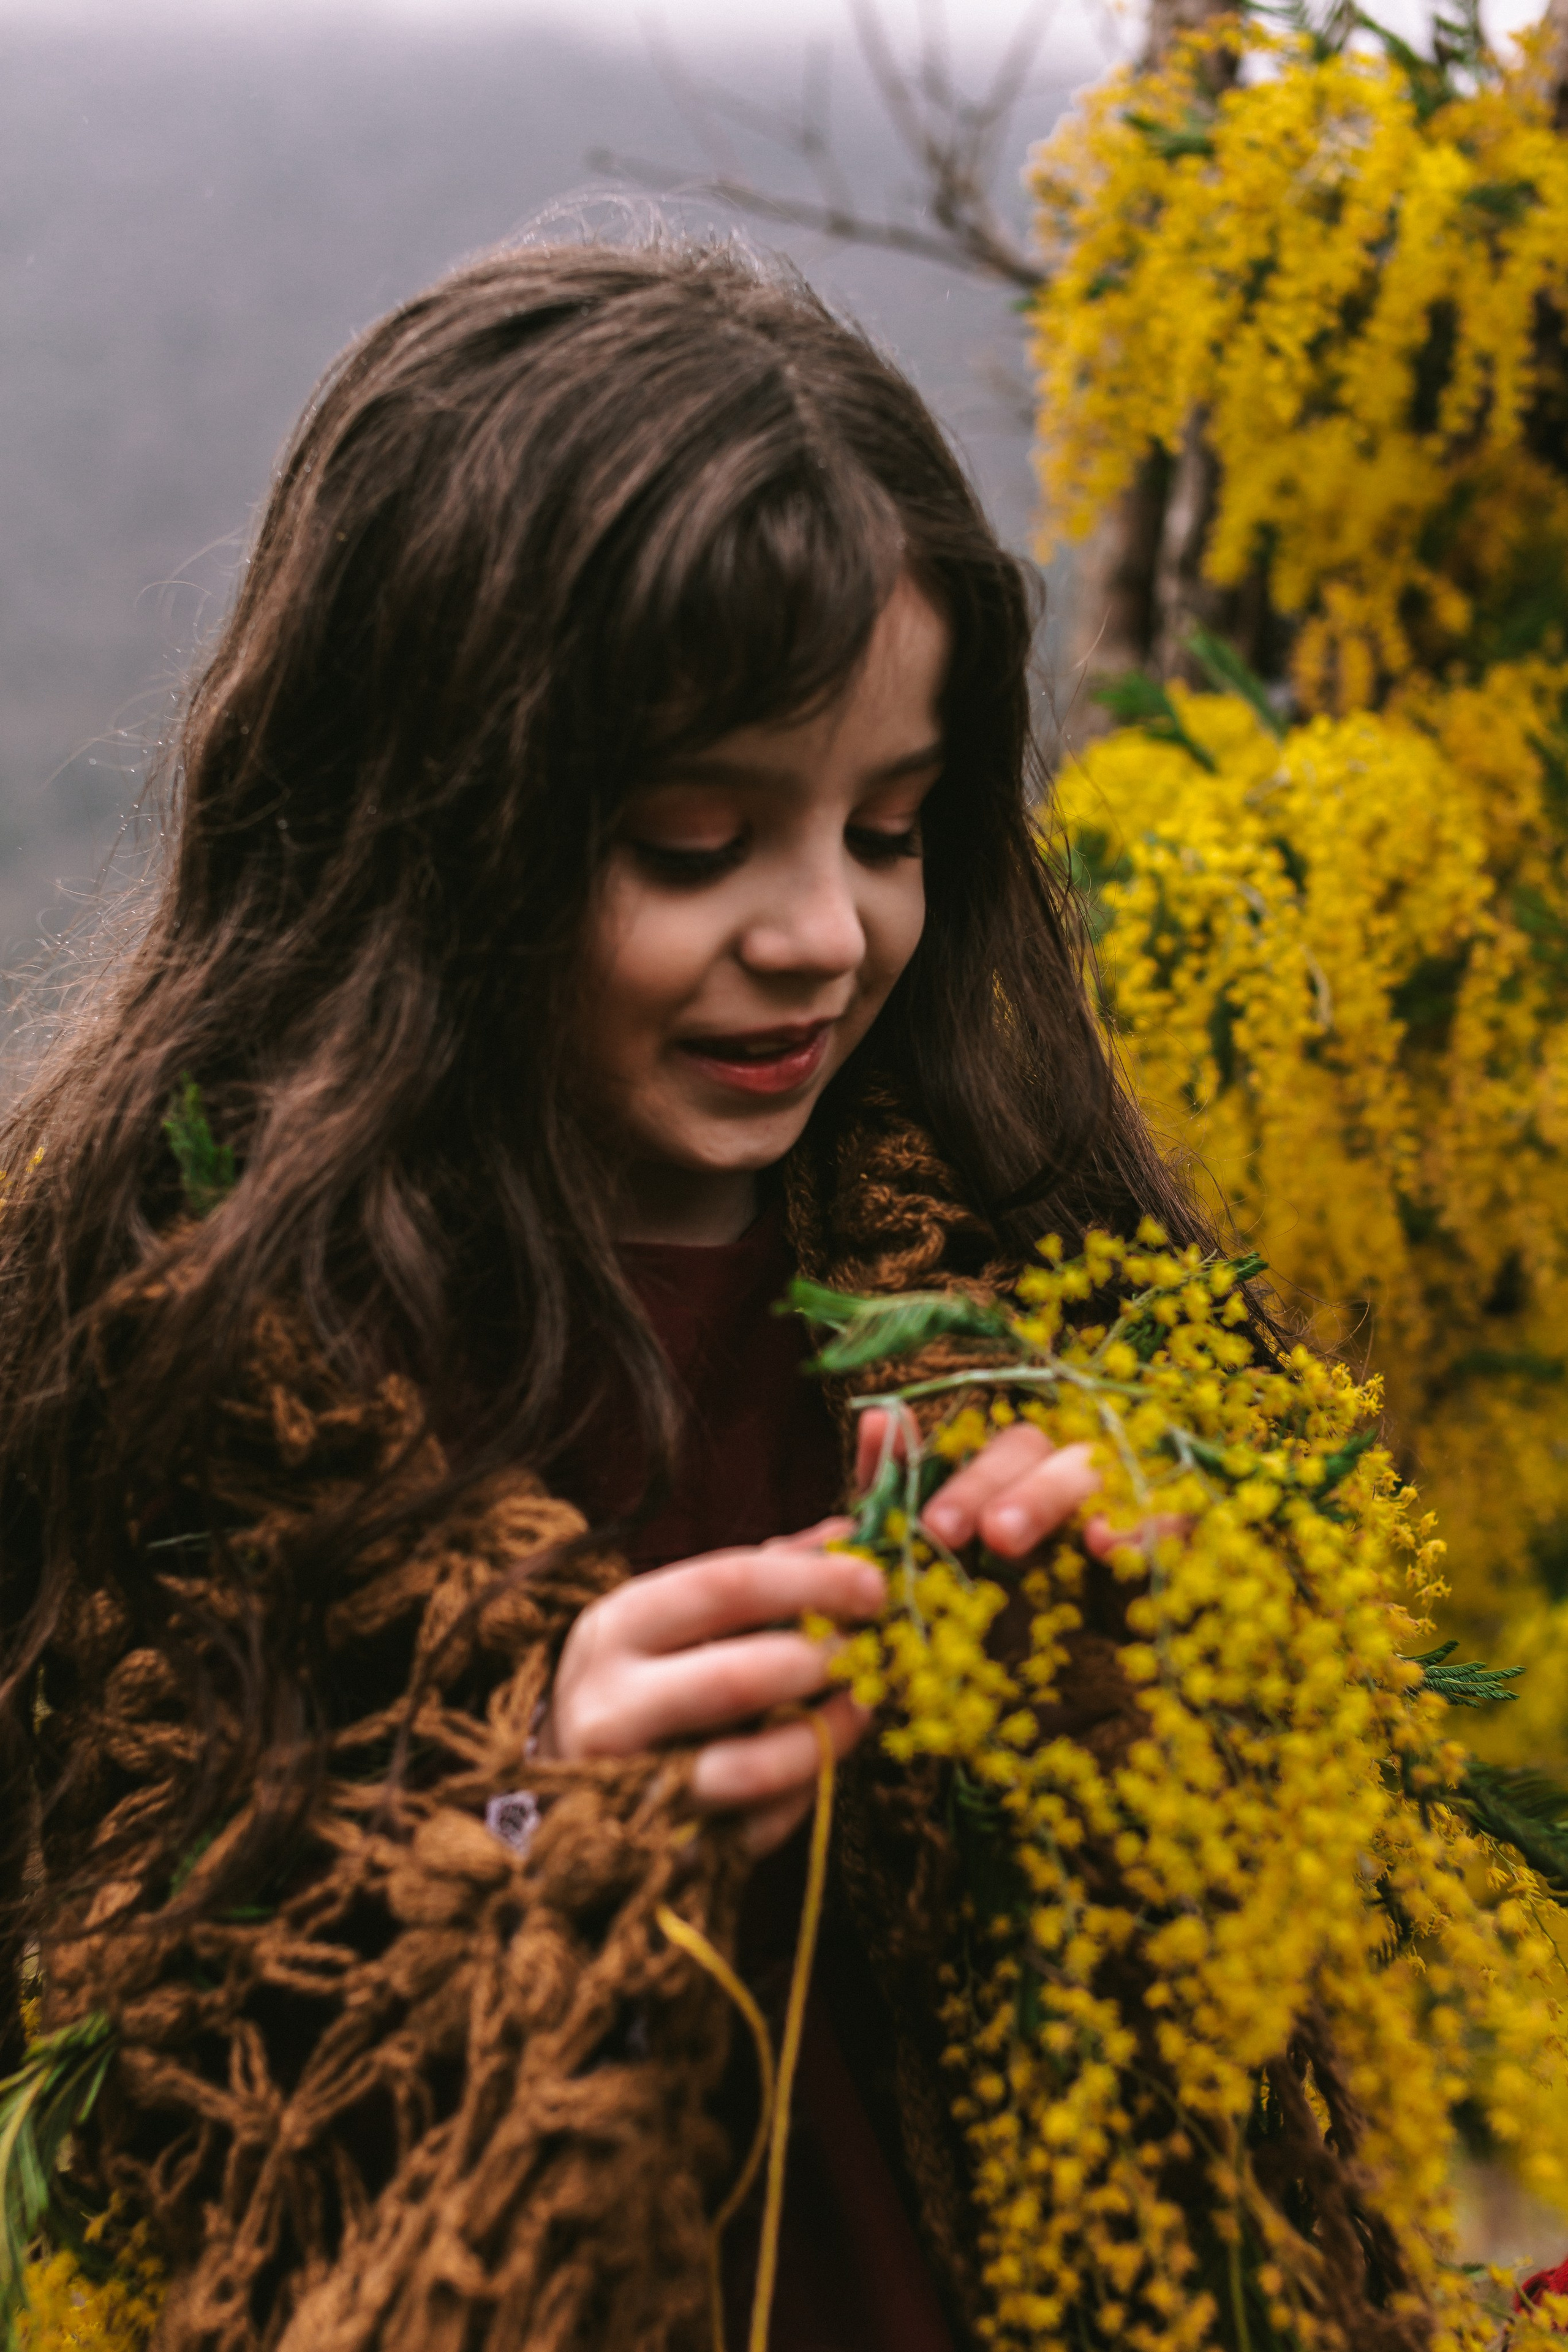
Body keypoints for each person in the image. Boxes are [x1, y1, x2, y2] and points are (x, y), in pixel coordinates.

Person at [0, 240, 1208, 2352]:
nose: (826, 931)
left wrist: (1154, 1682)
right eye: (690, 843)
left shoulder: (1040, 1294)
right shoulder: (175, 1349)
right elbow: (130, 2002)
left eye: (898, 828)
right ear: (427, 829)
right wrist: (529, 1813)